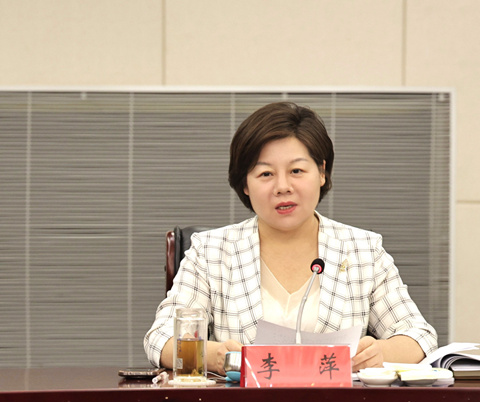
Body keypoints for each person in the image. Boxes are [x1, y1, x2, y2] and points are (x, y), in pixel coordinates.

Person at [144, 101, 437, 375]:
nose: (282, 187)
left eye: (296, 170)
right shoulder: (211, 252)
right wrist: (214, 356)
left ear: (321, 172)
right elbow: (160, 339)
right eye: (265, 174)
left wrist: (380, 353)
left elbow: (420, 336)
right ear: (245, 184)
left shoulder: (363, 250)